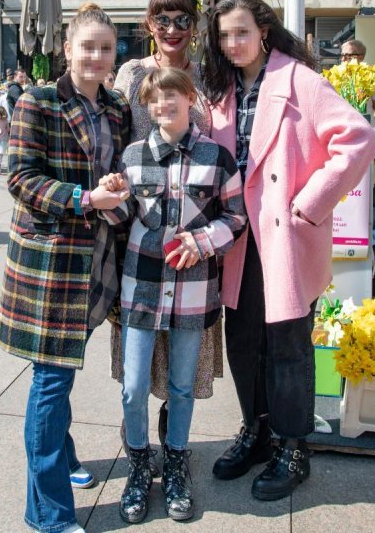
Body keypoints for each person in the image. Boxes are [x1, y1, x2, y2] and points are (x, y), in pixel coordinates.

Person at [203, 0, 375, 500]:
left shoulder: (300, 79)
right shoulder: (220, 90)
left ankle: (293, 445)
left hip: (285, 235)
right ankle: (256, 431)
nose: (233, 44)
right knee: (242, 340)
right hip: (237, 236)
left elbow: (359, 137)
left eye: (241, 32)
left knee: (288, 345)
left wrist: (310, 202)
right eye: (224, 36)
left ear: (263, 30)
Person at [0, 2, 131, 533]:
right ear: (67, 50)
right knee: (51, 382)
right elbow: (21, 178)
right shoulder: (39, 101)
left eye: (105, 47)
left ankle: (67, 460)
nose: (96, 56)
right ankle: (47, 513)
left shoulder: (117, 107)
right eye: (87, 47)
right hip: (51, 265)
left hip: (97, 261)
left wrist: (115, 189)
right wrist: (83, 199)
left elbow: (113, 172)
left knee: (62, 373)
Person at [101, 67, 246, 523]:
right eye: (154, 100)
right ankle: (140, 462)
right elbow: (120, 216)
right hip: (140, 288)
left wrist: (201, 241)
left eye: (172, 96)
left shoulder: (217, 157)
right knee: (133, 387)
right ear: (147, 106)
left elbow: (237, 218)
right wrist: (109, 198)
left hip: (193, 289)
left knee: (182, 387)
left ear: (190, 98)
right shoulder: (132, 156)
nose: (163, 106)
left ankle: (178, 461)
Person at [112, 0, 221, 452]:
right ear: (149, 23)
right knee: (137, 351)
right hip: (139, 231)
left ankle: (172, 437)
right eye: (163, 18)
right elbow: (115, 142)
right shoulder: (131, 74)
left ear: (194, 23)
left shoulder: (210, 78)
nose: (172, 27)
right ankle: (136, 436)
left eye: (182, 18)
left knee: (183, 351)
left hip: (194, 234)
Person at [340, 38, 375, 292]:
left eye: (351, 55)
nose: (346, 60)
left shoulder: (372, 79)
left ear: (362, 56)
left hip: (366, 146)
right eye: (343, 56)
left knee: (370, 192)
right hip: (342, 147)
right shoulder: (335, 78)